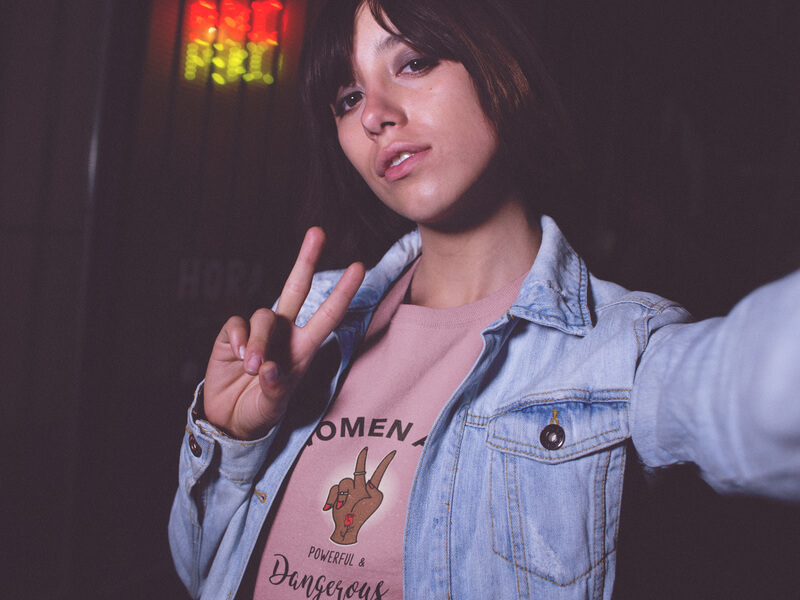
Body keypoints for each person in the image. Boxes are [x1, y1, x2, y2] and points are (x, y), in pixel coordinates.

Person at [169, 0, 800, 598]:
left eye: (413, 63)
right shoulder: (310, 323)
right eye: (348, 97)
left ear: (497, 61)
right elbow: (202, 571)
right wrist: (230, 439)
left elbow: (751, 387)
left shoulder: (613, 352)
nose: (373, 116)